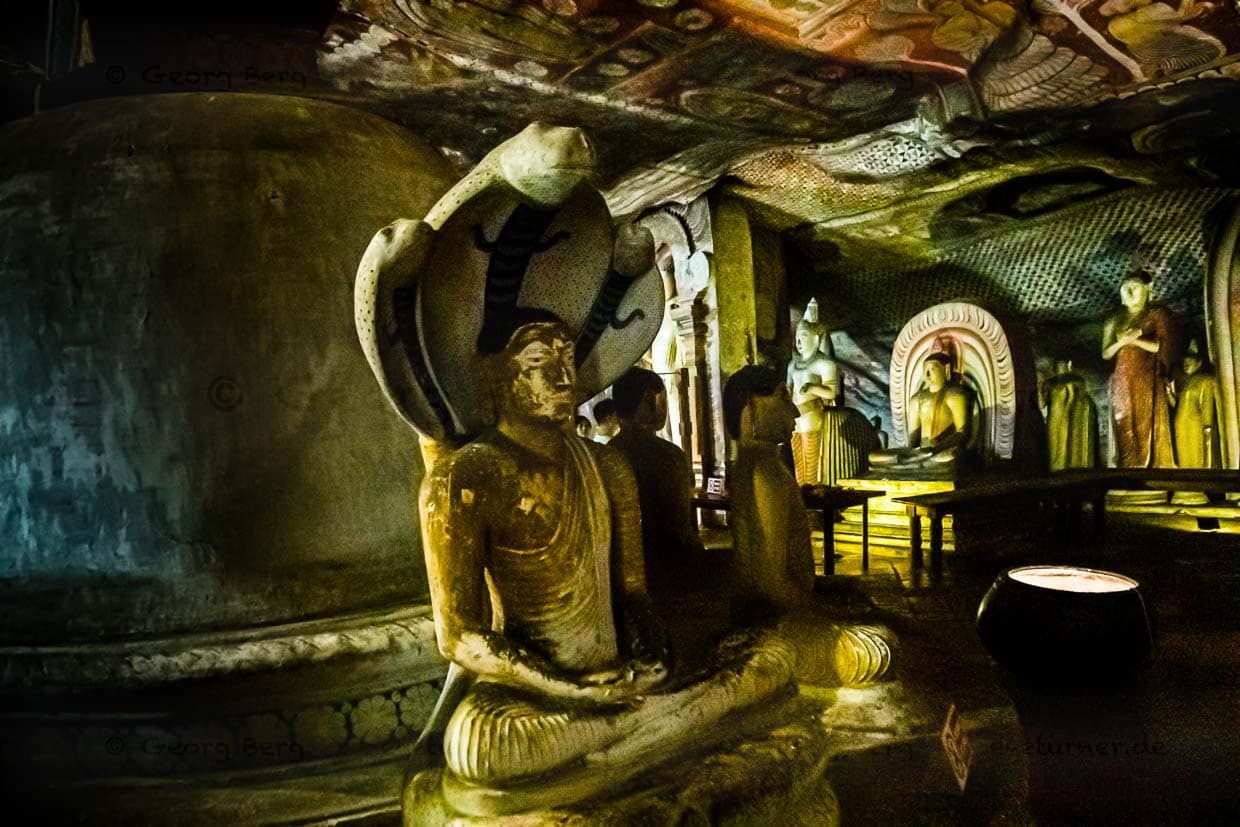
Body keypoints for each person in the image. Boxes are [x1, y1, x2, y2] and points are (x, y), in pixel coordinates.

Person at [411, 313, 796, 818]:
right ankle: (658, 727)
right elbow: (458, 636)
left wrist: (651, 657)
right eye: (541, 363)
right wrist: (569, 689)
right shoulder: (465, 478)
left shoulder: (608, 466)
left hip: (623, 682)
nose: (565, 376)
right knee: (480, 746)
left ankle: (641, 726)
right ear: (496, 377)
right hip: (534, 699)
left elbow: (633, 594)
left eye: (568, 359)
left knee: (771, 656)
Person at [723, 365, 895, 685]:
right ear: (751, 404)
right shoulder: (765, 474)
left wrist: (829, 590)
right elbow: (773, 584)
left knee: (868, 609)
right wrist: (827, 610)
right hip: (775, 621)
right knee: (881, 645)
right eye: (782, 396)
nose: (794, 411)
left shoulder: (752, 465)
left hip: (765, 613)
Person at [608, 367, 705, 597]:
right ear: (648, 401)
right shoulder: (668, 456)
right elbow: (679, 522)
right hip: (667, 564)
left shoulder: (607, 454)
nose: (664, 409)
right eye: (663, 401)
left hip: (618, 567)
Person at [1101, 270, 1179, 468]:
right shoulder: (1114, 320)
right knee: (1123, 422)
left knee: (1145, 423)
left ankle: (1147, 471)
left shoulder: (1156, 314)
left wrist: (1136, 340)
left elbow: (1160, 346)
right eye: (1126, 288)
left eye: (1134, 287)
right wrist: (1123, 343)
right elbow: (1106, 353)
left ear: (1147, 290)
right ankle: (1129, 470)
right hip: (1122, 375)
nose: (1129, 291)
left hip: (1146, 374)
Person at [869, 352, 973, 472]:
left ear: (946, 369)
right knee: (874, 457)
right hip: (920, 453)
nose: (927, 375)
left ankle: (908, 465)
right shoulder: (916, 399)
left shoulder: (955, 395)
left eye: (932, 369)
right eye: (925, 370)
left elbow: (962, 432)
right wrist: (912, 453)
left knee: (952, 456)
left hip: (941, 450)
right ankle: (912, 464)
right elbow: (913, 438)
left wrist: (935, 449)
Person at [786, 299, 841, 484]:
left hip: (812, 414)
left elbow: (832, 392)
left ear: (816, 339)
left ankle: (813, 500)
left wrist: (813, 387)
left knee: (812, 462)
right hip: (794, 416)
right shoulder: (792, 365)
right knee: (797, 462)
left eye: (803, 336)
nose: (799, 341)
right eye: (797, 337)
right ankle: (803, 499)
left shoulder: (824, 364)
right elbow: (788, 389)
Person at [1171, 340, 1222, 469]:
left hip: (1196, 425)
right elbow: (1177, 405)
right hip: (1180, 426)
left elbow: (1207, 406)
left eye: (1189, 362)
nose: (1186, 365)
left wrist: (1207, 428)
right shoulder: (1183, 383)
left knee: (1197, 457)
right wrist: (1168, 394)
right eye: (1184, 363)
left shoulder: (1206, 380)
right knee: (1183, 458)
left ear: (1199, 363)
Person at [1043, 358, 1099, 471]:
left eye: (1063, 365)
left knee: (1064, 441)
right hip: (1053, 415)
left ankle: (1065, 466)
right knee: (1053, 442)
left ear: (1069, 365)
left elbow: (1075, 397)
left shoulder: (1075, 380)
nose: (1061, 367)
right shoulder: (1049, 383)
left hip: (1067, 414)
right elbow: (1043, 402)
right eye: (1059, 365)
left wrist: (1068, 407)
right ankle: (1054, 466)